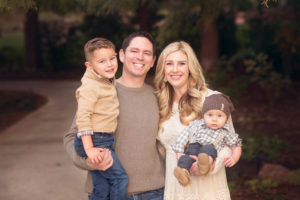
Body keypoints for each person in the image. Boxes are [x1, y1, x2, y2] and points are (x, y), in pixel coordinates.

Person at [63, 31, 165, 200]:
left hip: (153, 192)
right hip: (108, 192)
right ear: (122, 55)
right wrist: (88, 161)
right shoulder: (100, 91)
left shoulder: (158, 97)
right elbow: (72, 137)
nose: (140, 57)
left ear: (152, 61)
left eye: (146, 53)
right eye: (134, 51)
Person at [154, 40, 241, 200]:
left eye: (181, 63)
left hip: (209, 189)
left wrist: (210, 166)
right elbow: (160, 151)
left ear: (190, 68)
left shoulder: (212, 99)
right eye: (169, 64)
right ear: (163, 69)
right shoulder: (159, 105)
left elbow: (230, 144)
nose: (175, 69)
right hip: (176, 190)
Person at [74, 37, 128, 200]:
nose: (110, 64)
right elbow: (83, 116)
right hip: (96, 141)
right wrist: (89, 149)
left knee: (102, 187)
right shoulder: (90, 86)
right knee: (120, 178)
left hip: (102, 139)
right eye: (102, 61)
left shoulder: (104, 80)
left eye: (112, 58)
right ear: (89, 66)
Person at [172, 93, 242, 186]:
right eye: (210, 115)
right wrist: (179, 153)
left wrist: (234, 158)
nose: (214, 119)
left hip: (209, 150)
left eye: (219, 116)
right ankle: (183, 174)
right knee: (184, 159)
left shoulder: (226, 132)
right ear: (203, 115)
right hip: (192, 150)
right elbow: (182, 137)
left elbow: (236, 146)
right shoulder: (195, 125)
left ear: (226, 118)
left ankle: (205, 164)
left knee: (207, 149)